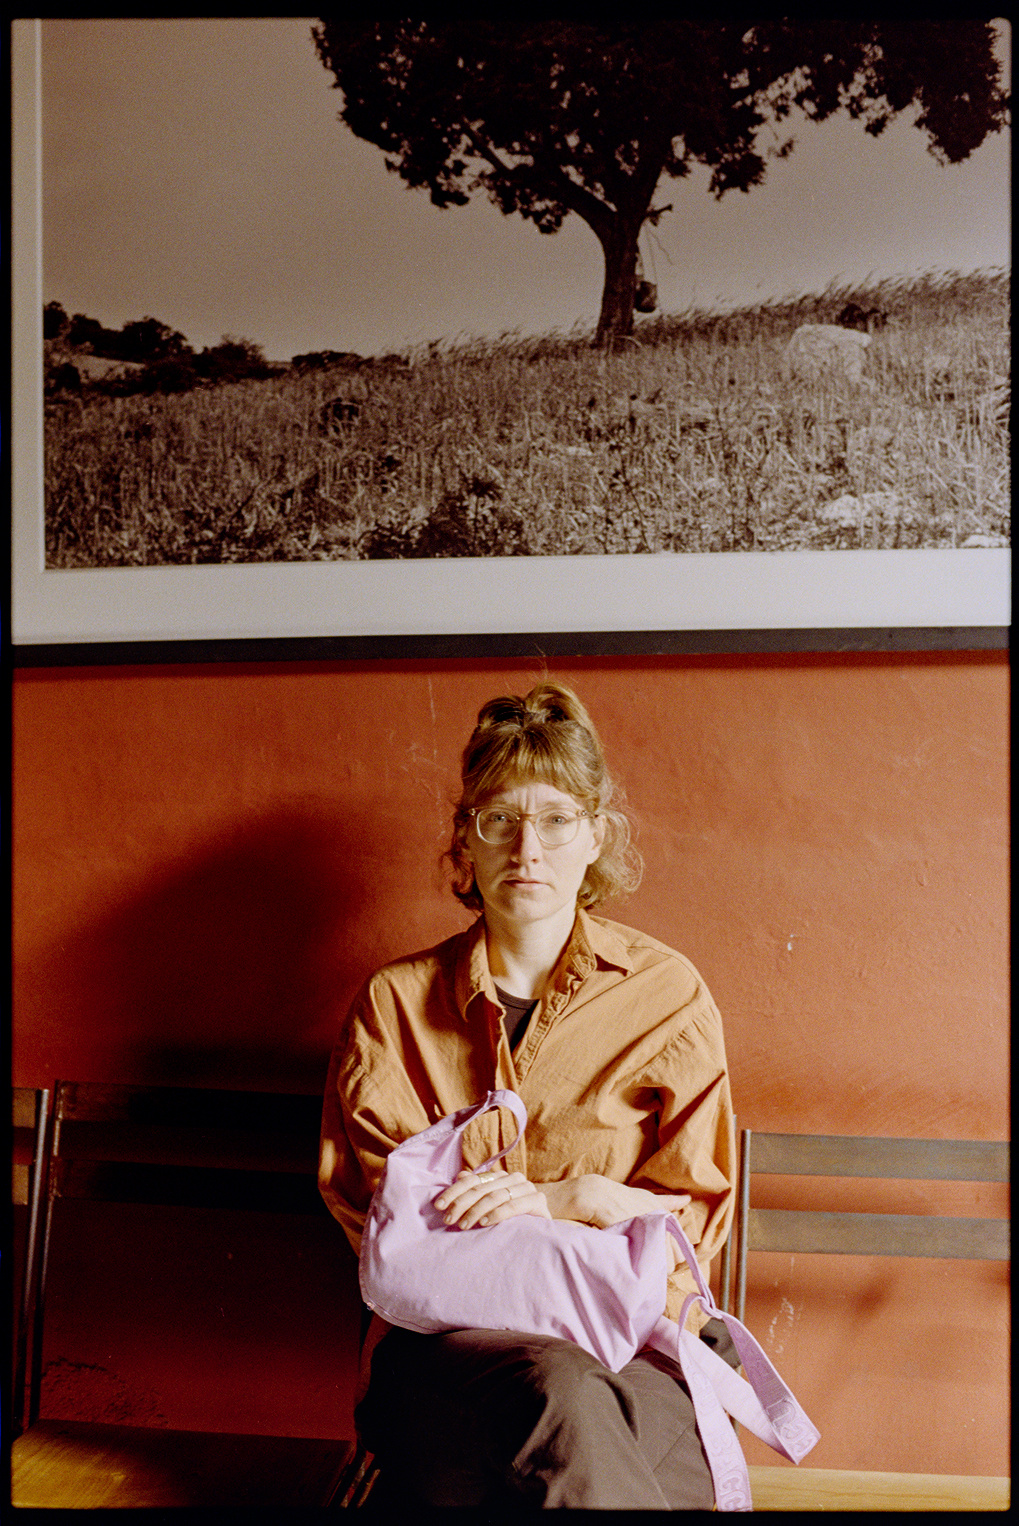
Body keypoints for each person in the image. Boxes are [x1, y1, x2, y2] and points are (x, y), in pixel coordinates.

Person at [319, 681, 737, 1509]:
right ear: (464, 841)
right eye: (499, 819)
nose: (527, 849)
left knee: (610, 1443)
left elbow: (694, 1217)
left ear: (596, 839)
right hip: (448, 1359)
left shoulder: (667, 995)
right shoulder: (395, 1004)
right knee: (561, 1395)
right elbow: (386, 1225)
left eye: (555, 820)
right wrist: (589, 1210)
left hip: (635, 1343)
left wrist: (561, 1196)